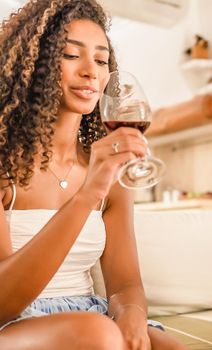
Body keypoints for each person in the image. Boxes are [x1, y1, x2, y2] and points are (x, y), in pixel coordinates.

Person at [0, 1, 185, 349]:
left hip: (91, 317)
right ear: (35, 63)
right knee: (96, 334)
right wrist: (87, 194)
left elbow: (125, 283)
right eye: (71, 55)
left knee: (167, 346)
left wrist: (131, 315)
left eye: (101, 61)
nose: (91, 72)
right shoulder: (4, 169)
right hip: (14, 324)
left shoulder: (109, 171)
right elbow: (3, 303)